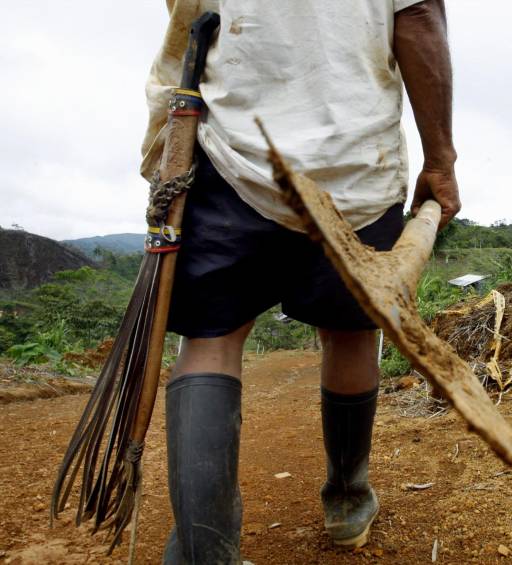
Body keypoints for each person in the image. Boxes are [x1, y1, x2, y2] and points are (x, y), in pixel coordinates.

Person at [142, 1, 460, 562]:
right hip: (355, 165)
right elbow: (418, 18)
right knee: (352, 333)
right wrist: (440, 159)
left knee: (213, 339)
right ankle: (347, 499)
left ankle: (202, 550)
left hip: (235, 153)